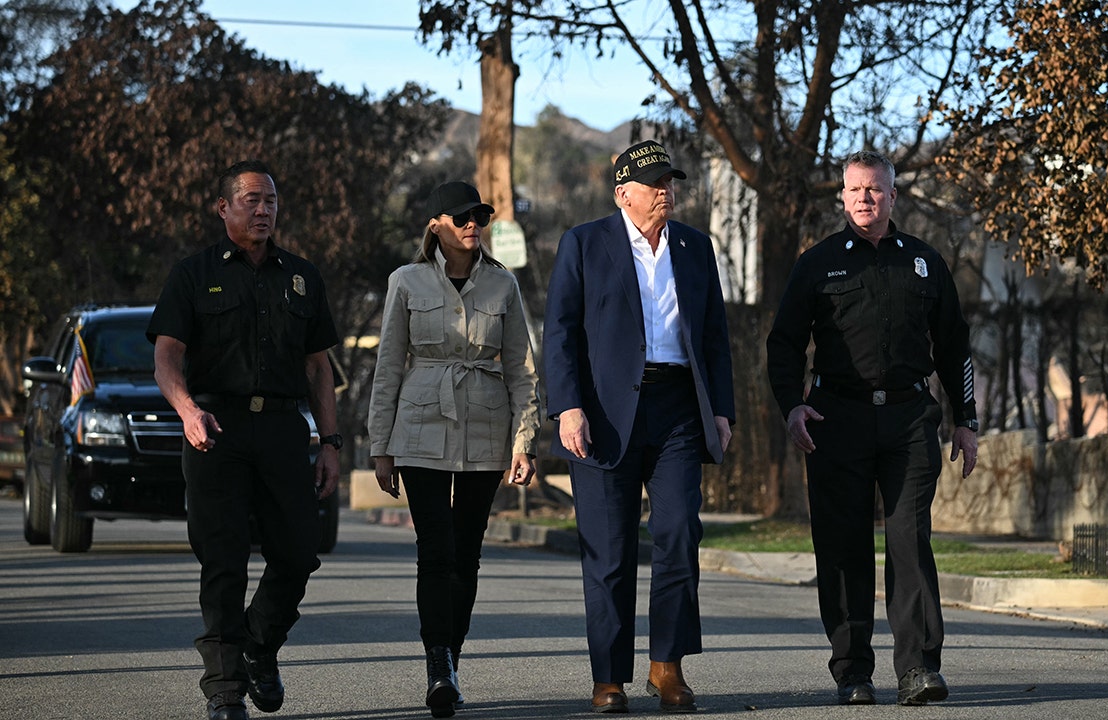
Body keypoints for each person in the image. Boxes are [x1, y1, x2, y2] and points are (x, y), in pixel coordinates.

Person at [766, 150, 979, 707]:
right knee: (844, 546)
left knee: (910, 542)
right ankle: (853, 670)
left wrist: (967, 421)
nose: (865, 198)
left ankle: (918, 669)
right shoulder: (817, 264)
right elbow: (783, 343)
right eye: (855, 189)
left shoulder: (925, 262)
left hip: (910, 418)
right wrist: (792, 406)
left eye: (876, 189)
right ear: (842, 196)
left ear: (892, 196)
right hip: (836, 419)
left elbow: (955, 343)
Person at [543, 140, 735, 714]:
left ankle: (666, 666)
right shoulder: (584, 242)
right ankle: (609, 678)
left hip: (677, 407)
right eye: (654, 183)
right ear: (622, 192)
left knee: (678, 533)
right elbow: (560, 332)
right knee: (610, 549)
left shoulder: (696, 247)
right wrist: (567, 407)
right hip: (603, 413)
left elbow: (715, 337)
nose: (665, 191)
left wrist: (720, 411)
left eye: (670, 182)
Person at [148, 160, 341, 720]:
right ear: (224, 207)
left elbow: (319, 368)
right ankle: (225, 688)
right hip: (216, 430)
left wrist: (329, 442)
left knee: (299, 553)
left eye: (271, 201)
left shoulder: (301, 276)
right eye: (252, 200)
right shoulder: (192, 273)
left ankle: (259, 645)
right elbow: (166, 357)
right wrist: (187, 411)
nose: (264, 210)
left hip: (283, 430)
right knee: (224, 560)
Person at [366, 181, 541, 719]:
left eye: (481, 215)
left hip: (486, 429)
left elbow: (522, 369)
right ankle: (437, 662)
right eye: (463, 215)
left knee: (467, 552)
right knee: (434, 551)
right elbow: (389, 364)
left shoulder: (503, 284)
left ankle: (451, 658)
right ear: (436, 224)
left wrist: (525, 441)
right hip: (418, 426)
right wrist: (380, 445)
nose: (474, 223)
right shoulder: (406, 281)